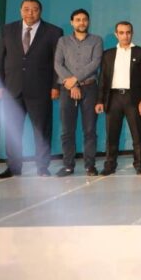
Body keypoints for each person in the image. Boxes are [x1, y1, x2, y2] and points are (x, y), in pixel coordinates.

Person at [0, 0, 63, 178]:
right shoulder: (7, 30)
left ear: (40, 11)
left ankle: (42, 167)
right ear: (20, 11)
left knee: (42, 130)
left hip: (41, 89)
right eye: (26, 9)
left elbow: (57, 62)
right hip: (12, 88)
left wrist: (55, 86)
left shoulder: (54, 32)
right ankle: (13, 167)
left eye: (34, 9)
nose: (30, 13)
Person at [53, 9, 103, 177]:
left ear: (88, 22)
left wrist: (76, 79)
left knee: (89, 129)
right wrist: (72, 84)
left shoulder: (96, 40)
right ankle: (68, 165)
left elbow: (95, 63)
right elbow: (58, 64)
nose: (82, 22)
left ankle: (90, 166)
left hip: (89, 88)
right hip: (67, 89)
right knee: (67, 130)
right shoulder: (63, 41)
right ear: (72, 22)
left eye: (84, 19)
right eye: (78, 20)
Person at [95, 21, 141, 176]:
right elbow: (103, 79)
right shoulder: (108, 54)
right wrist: (100, 100)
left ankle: (139, 164)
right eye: (122, 33)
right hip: (113, 98)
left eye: (128, 32)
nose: (125, 36)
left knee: (137, 133)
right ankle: (110, 164)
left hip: (134, 98)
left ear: (132, 33)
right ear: (116, 34)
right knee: (112, 134)